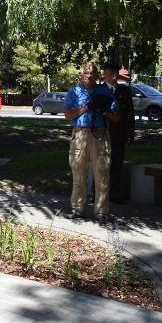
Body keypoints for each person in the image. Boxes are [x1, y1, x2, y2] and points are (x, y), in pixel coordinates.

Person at [64, 62, 120, 224]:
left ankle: (101, 212)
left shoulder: (105, 91)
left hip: (100, 135)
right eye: (86, 73)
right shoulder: (74, 92)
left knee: (102, 174)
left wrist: (103, 110)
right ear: (81, 75)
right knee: (78, 174)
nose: (89, 75)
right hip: (80, 134)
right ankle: (78, 210)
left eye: (92, 73)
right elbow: (68, 115)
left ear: (97, 76)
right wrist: (88, 106)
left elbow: (117, 117)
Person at [101, 62, 135, 202]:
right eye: (110, 70)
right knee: (100, 164)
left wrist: (130, 133)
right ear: (105, 73)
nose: (114, 73)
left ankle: (114, 194)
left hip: (118, 133)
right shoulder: (99, 89)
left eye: (116, 70)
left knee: (116, 164)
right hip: (101, 132)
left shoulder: (124, 91)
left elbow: (129, 114)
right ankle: (97, 193)